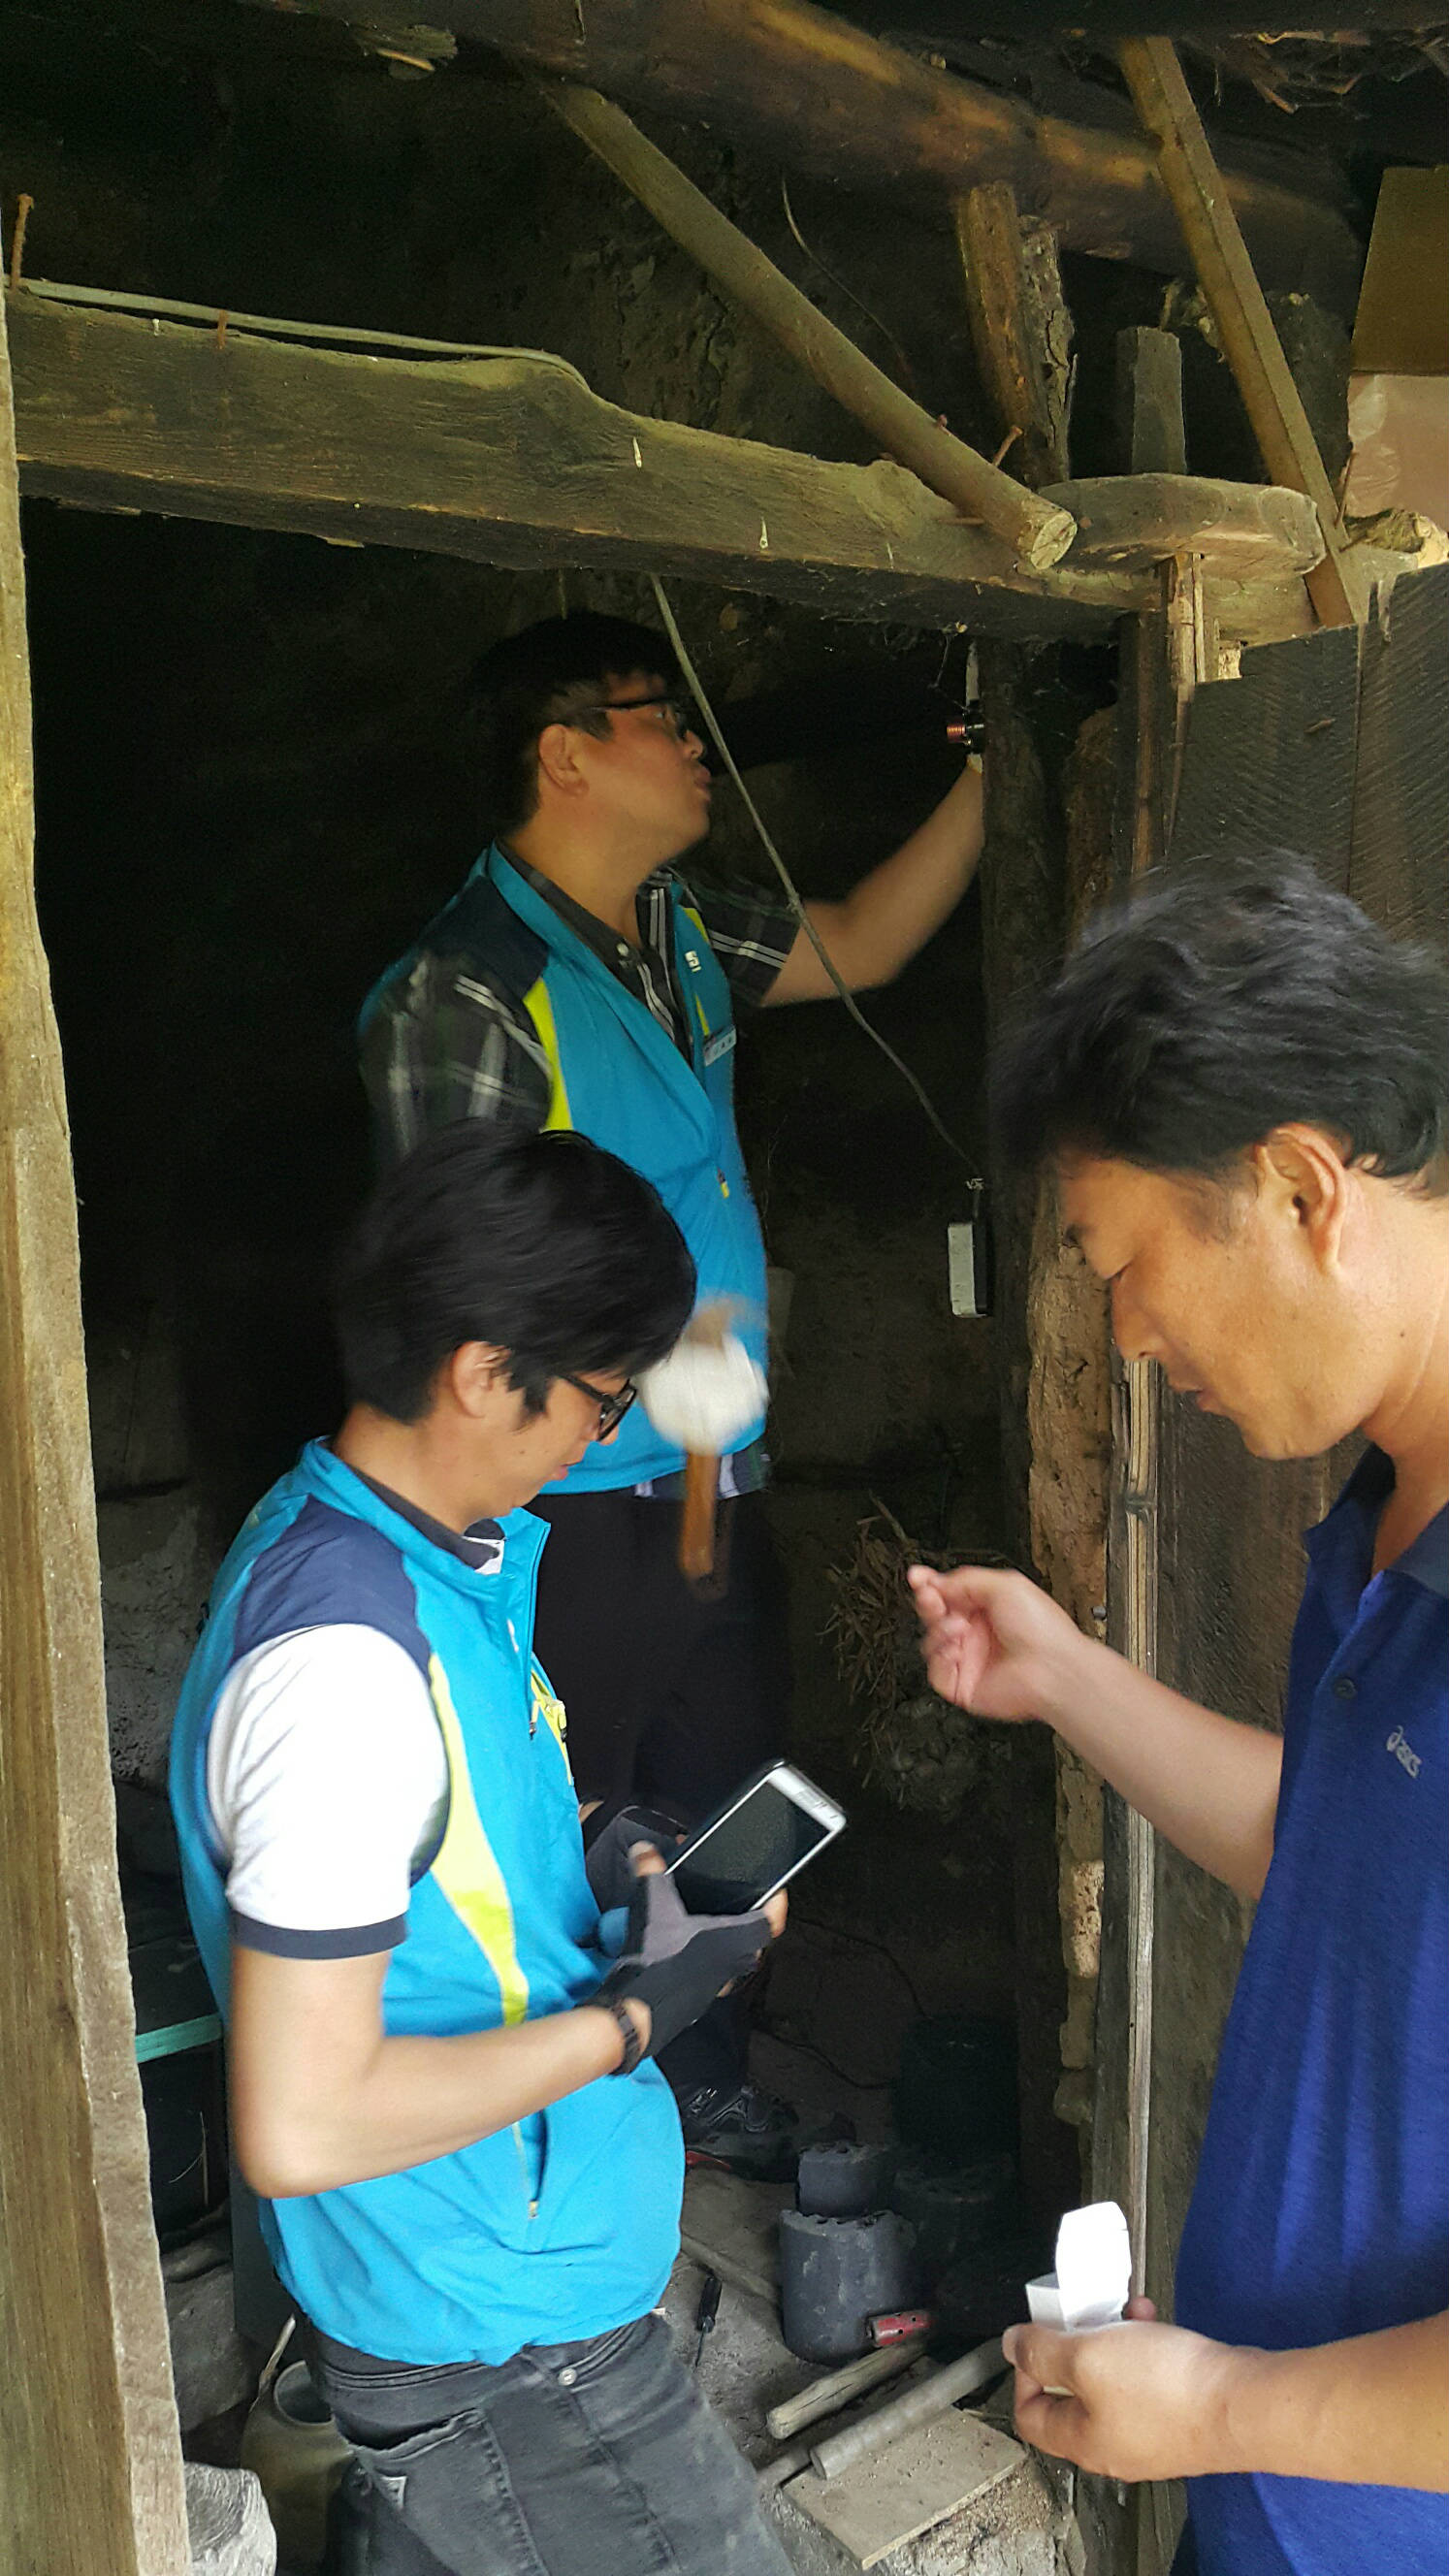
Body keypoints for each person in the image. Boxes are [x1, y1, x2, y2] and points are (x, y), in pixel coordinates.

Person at [358, 610, 984, 2164]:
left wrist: (998, 770)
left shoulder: (677, 931)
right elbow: (469, 1290)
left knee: (726, 1792)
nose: (697, 743)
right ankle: (554, 2118)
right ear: (566, 755)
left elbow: (865, 941)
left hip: (712, 1468)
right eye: (661, 715)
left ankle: (700, 2090)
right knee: (574, 1818)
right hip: (562, 1502)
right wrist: (640, 1396)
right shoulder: (465, 993)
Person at [911, 861, 1447, 2576]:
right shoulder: (1383, 1532)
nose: (1127, 1338)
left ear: (1298, 1189)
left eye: (1125, 1264)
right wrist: (1062, 1672)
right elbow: (1343, 1857)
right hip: (1285, 2503)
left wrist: (1219, 2405)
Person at [168, 1122, 795, 2576]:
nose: (611, 1432)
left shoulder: (429, 1558)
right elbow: (302, 2123)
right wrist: (635, 2017)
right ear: (478, 1372)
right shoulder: (341, 1660)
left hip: (509, 2298)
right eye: (600, 1396)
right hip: (497, 2353)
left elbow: (440, 1859)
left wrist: (614, 1860)